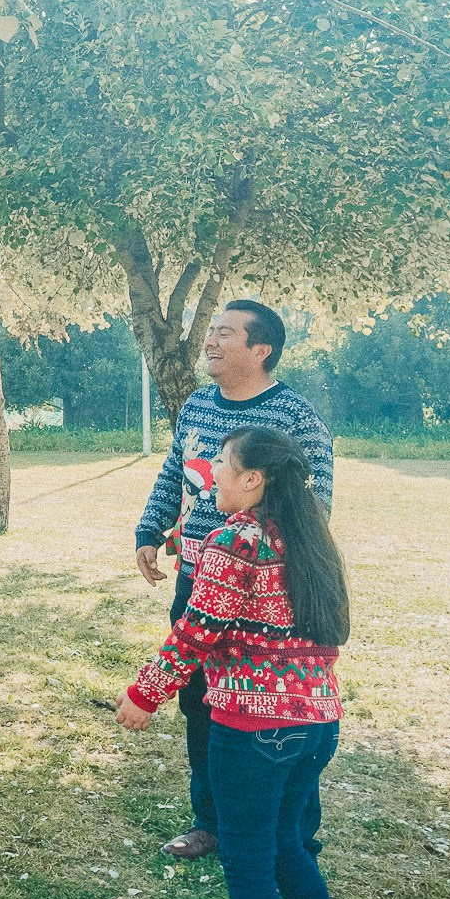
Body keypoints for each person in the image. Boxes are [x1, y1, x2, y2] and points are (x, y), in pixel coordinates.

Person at [116, 427, 349, 899]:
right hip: (317, 725)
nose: (210, 472)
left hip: (253, 731)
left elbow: (196, 632)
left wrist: (143, 695)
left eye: (221, 461)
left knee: (246, 857)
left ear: (252, 478)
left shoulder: (234, 541)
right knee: (287, 841)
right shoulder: (310, 538)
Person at [131, 299, 333, 861]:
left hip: (268, 591)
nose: (210, 341)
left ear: (261, 348)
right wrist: (150, 530)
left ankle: (294, 837)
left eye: (225, 333)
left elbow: (318, 506)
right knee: (200, 700)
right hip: (198, 575)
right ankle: (211, 822)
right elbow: (174, 473)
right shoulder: (196, 406)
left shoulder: (295, 416)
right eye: (211, 331)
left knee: (277, 708)